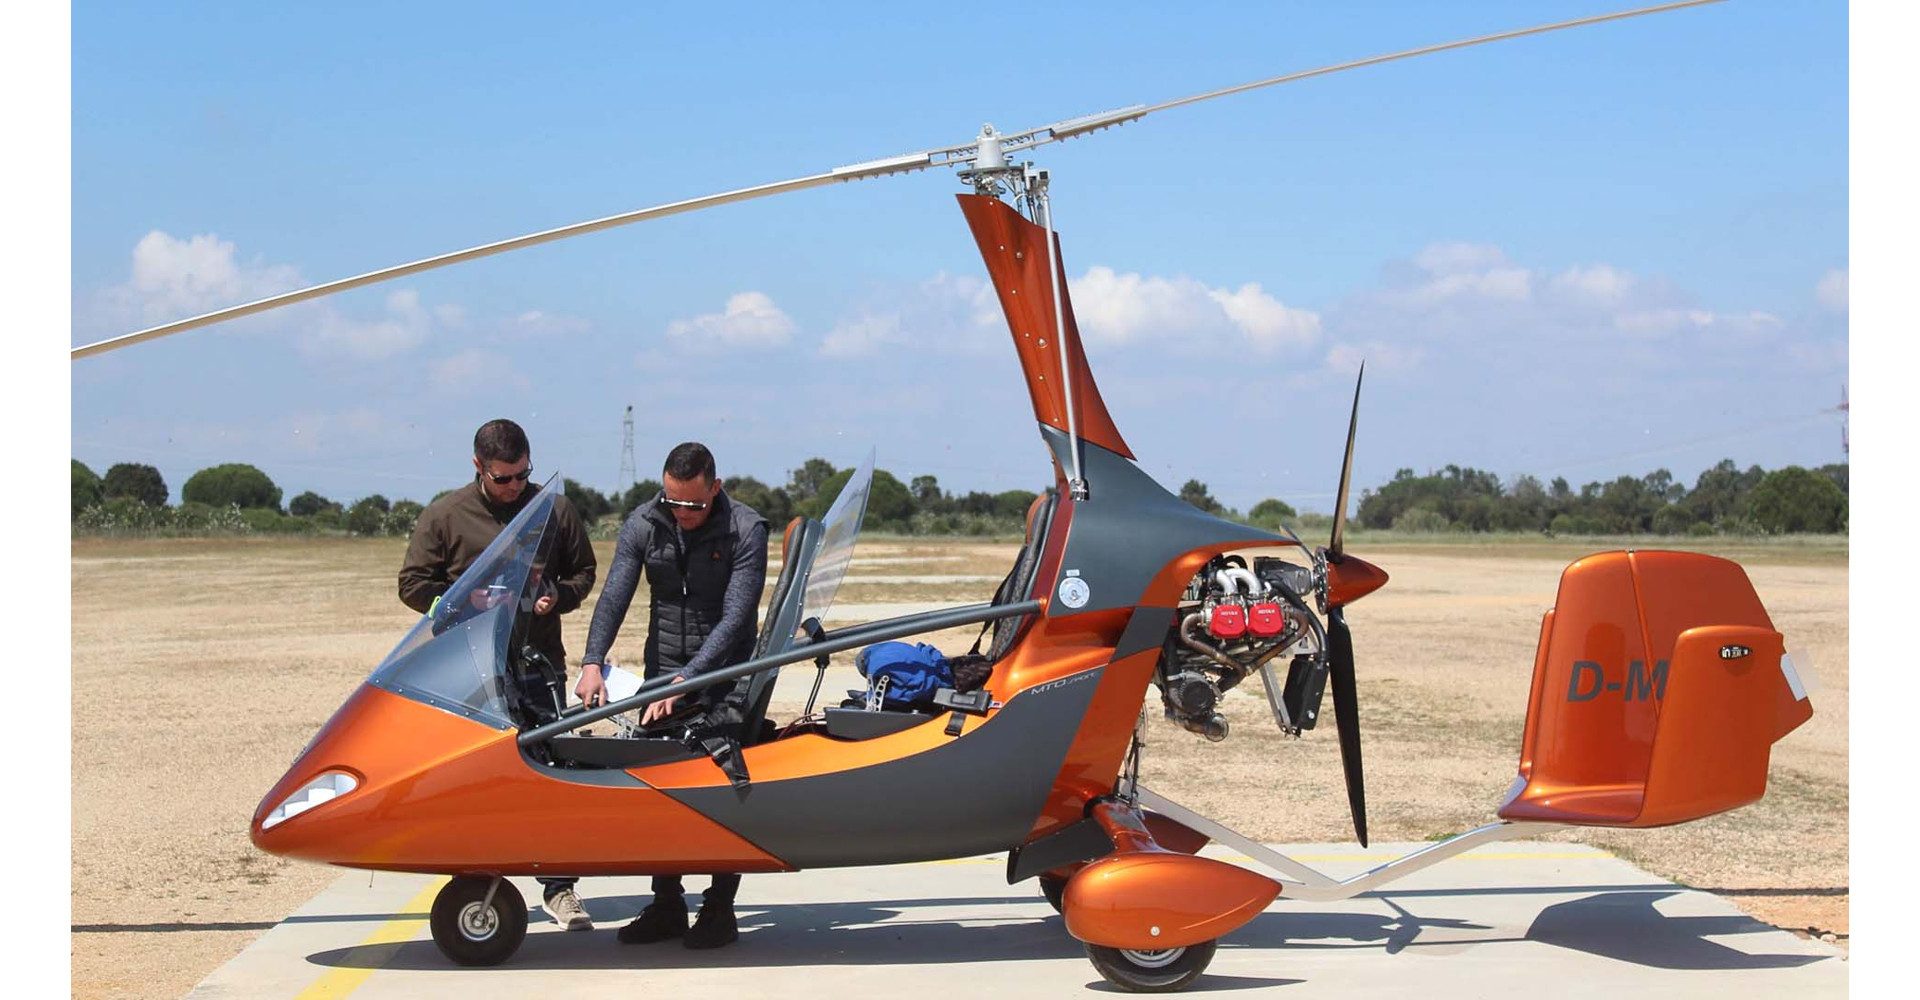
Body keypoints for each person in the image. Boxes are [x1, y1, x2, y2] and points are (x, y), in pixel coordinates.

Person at [398, 418, 599, 931]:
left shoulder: (555, 510)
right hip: (471, 673)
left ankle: (560, 889)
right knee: (476, 782)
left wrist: (559, 596)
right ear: (478, 467)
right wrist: (462, 602)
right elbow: (412, 584)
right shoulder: (446, 514)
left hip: (538, 667)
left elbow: (584, 572)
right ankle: (478, 881)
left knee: (552, 774)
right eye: (503, 478)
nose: (514, 486)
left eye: (523, 475)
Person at [576, 441, 769, 950]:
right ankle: (666, 905)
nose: (683, 514)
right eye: (674, 501)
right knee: (660, 787)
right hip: (663, 673)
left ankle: (720, 908)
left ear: (716, 488)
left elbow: (737, 617)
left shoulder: (745, 529)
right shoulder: (644, 523)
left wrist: (692, 679)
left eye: (694, 504)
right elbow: (615, 593)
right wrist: (593, 660)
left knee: (723, 786)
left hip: (727, 673)